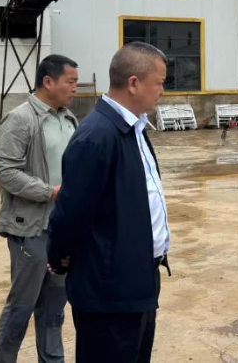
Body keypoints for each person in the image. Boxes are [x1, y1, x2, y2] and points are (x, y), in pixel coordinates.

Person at [48, 42, 170, 363]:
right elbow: (70, 214)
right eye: (159, 83)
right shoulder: (97, 136)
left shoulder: (134, 128)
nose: (162, 91)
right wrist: (59, 258)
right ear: (134, 83)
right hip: (109, 291)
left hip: (138, 280)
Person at [0, 54, 79, 363]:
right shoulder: (20, 119)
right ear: (48, 81)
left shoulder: (68, 119)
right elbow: (5, 172)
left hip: (62, 229)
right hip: (31, 229)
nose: (75, 88)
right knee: (21, 306)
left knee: (54, 308)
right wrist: (49, 192)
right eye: (70, 82)